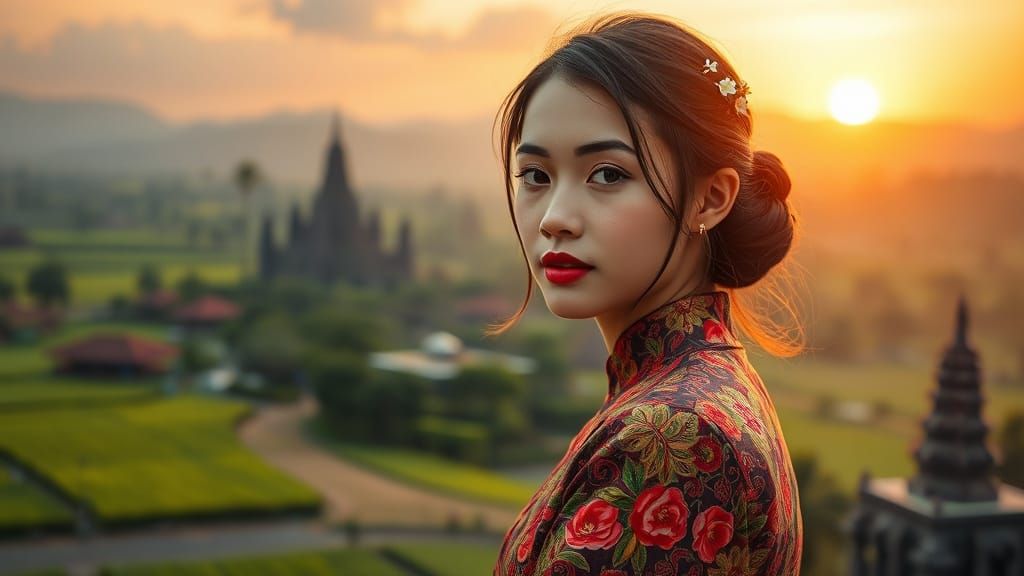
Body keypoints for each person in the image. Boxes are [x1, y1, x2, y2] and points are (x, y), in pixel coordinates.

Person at [490, 13, 804, 576]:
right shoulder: (691, 391)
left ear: (709, 199)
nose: (555, 218)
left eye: (608, 175)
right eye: (535, 175)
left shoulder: (675, 436)